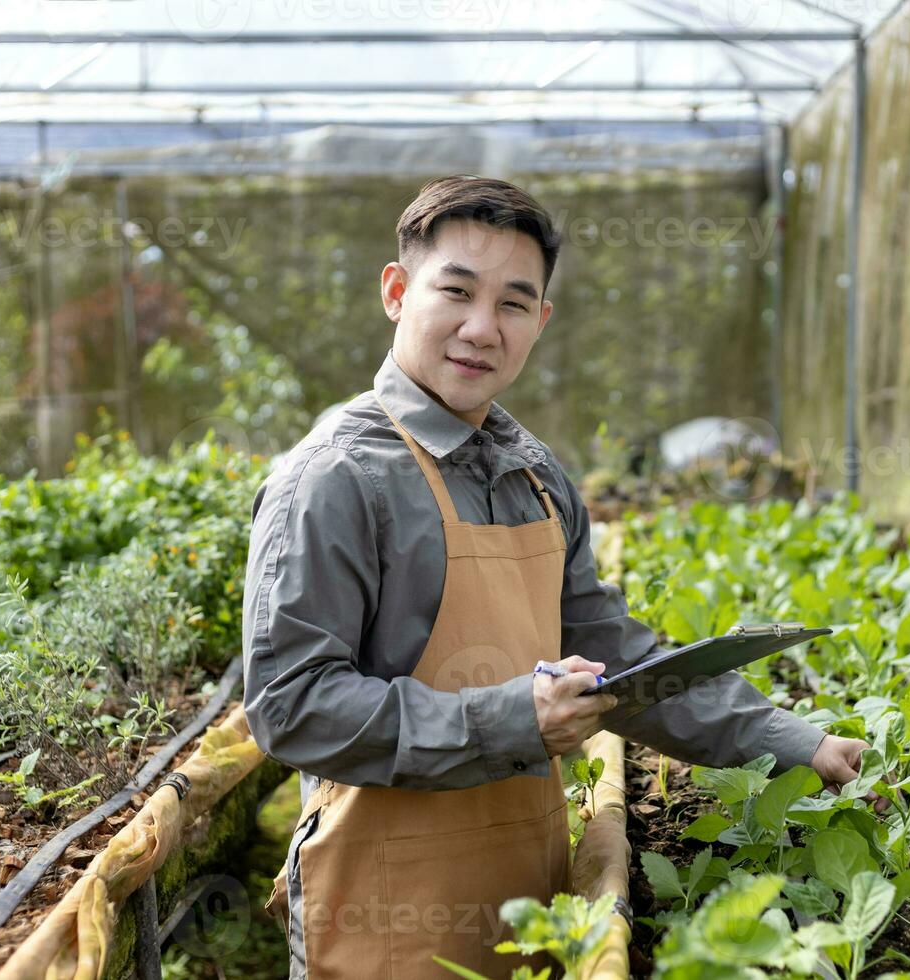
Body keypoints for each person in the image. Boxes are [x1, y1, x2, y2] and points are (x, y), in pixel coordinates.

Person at [241, 175, 871, 980]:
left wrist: (794, 741)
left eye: (512, 302)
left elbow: (613, 654)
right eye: (456, 291)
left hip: (527, 898)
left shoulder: (534, 475)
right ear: (397, 292)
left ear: (539, 321)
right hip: (381, 911)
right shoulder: (336, 479)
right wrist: (508, 719)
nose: (481, 327)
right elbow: (290, 706)